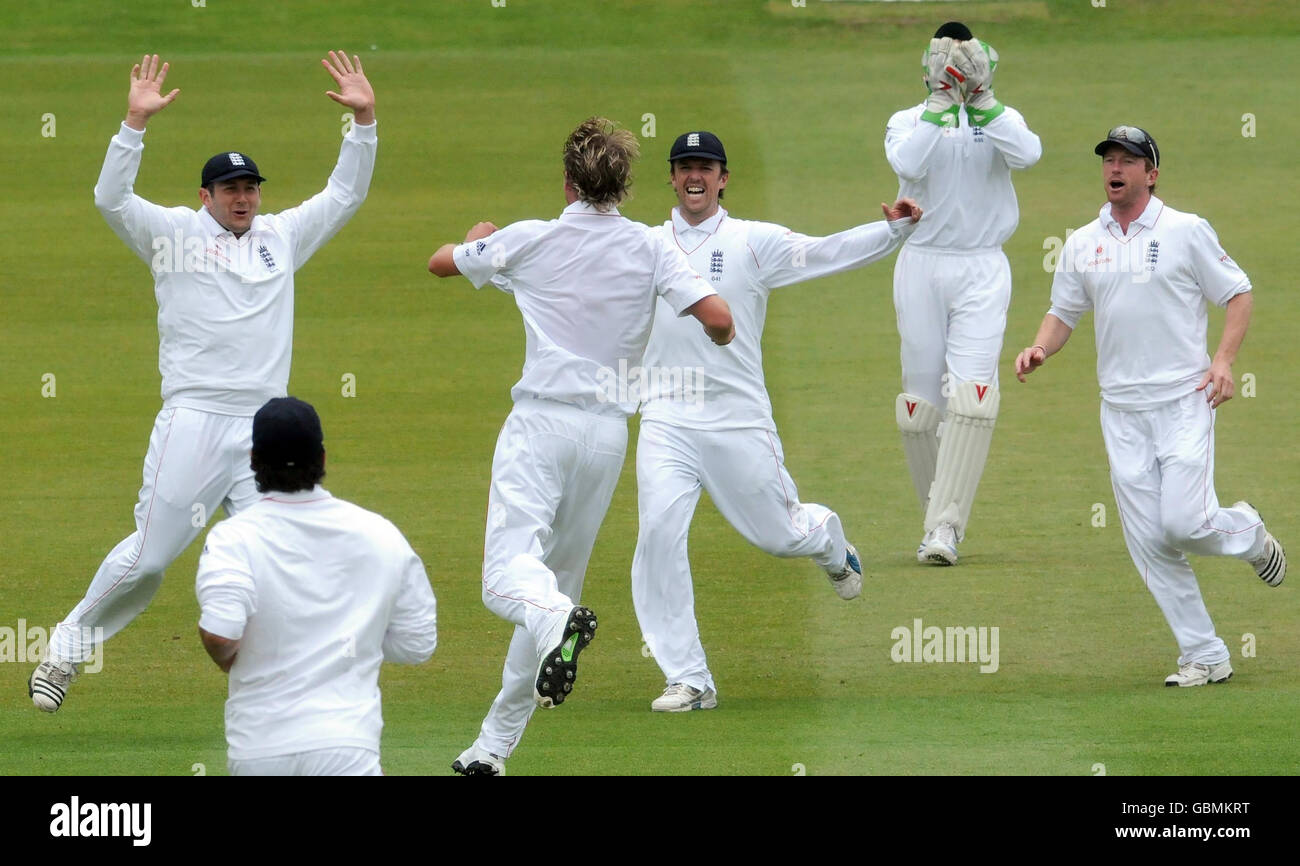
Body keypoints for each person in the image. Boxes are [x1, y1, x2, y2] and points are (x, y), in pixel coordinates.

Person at [28, 52, 378, 713]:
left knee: (277, 557)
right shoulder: (171, 236)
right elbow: (110, 198)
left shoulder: (281, 237)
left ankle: (287, 691)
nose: (244, 199)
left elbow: (344, 196)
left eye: (251, 189)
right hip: (194, 421)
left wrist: (363, 121)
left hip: (264, 431)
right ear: (205, 197)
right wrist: (133, 124)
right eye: (230, 190)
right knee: (151, 558)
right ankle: (65, 652)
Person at [426, 117, 734, 774]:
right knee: (546, 594)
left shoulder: (531, 239)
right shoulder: (653, 249)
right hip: (605, 440)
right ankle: (490, 751)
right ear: (622, 187)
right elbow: (720, 319)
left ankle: (560, 624)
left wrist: (477, 240)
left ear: (568, 185)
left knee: (509, 583)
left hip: (540, 426)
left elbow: (441, 263)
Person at [631, 131, 921, 712]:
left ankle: (829, 542)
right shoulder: (644, 244)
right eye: (684, 166)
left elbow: (824, 251)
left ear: (723, 177)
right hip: (665, 417)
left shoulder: (750, 241)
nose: (695, 176)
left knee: (780, 535)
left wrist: (892, 230)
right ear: (670, 177)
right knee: (659, 536)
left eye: (705, 167)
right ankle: (689, 677)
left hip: (738, 418)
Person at [1014, 125, 1287, 687]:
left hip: (1183, 400)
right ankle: (1206, 654)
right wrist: (1041, 346)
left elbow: (1237, 291)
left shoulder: (1186, 231)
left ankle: (1248, 532)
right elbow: (1064, 312)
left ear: (1151, 173)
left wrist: (1224, 361)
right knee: (1150, 542)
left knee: (1184, 523)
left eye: (1128, 161)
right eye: (1109, 160)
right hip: (1121, 411)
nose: (1115, 169)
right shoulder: (1082, 241)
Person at [195, 397, 437, 775]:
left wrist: (234, 660)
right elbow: (416, 645)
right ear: (322, 459)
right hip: (347, 749)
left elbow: (221, 634)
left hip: (260, 751)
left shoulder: (233, 538)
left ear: (254, 461)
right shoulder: (381, 535)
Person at [884, 22, 1041, 566]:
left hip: (982, 266)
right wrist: (938, 102)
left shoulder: (1001, 118)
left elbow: (1028, 154)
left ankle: (943, 529)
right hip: (922, 264)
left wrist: (984, 102)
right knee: (918, 410)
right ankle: (938, 518)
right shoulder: (908, 121)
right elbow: (908, 164)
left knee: (972, 397)